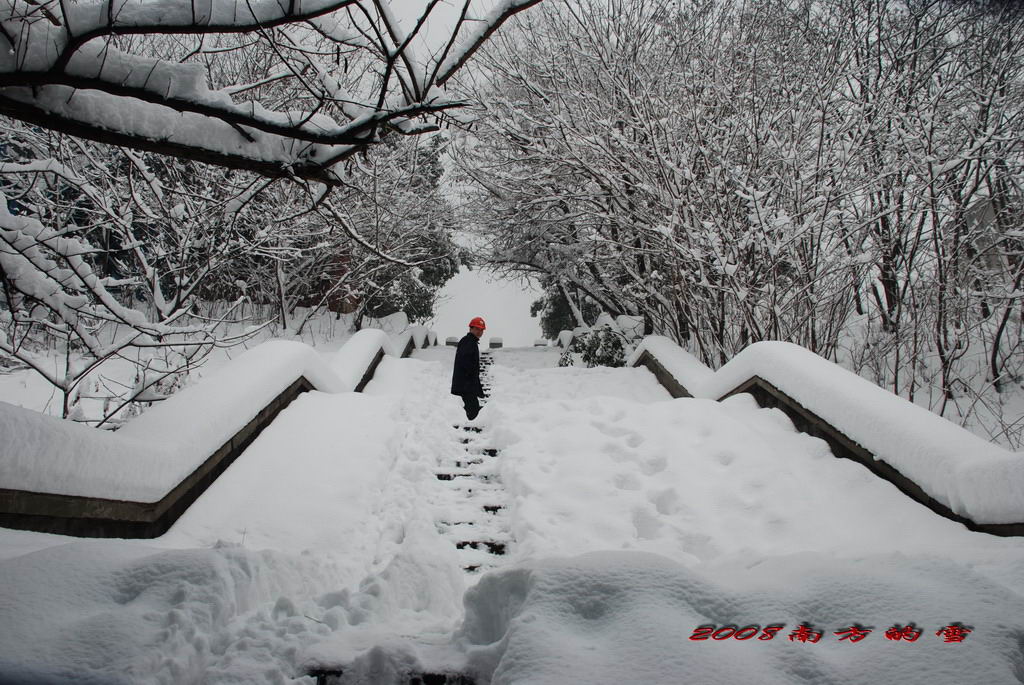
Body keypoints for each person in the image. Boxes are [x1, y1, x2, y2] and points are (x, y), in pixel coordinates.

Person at [451, 316, 486, 420]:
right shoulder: (468, 341)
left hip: (467, 386)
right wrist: (471, 380)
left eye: (481, 330)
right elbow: (465, 362)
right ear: (470, 329)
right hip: (465, 386)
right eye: (477, 329)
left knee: (472, 411)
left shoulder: (470, 341)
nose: (479, 332)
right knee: (473, 412)